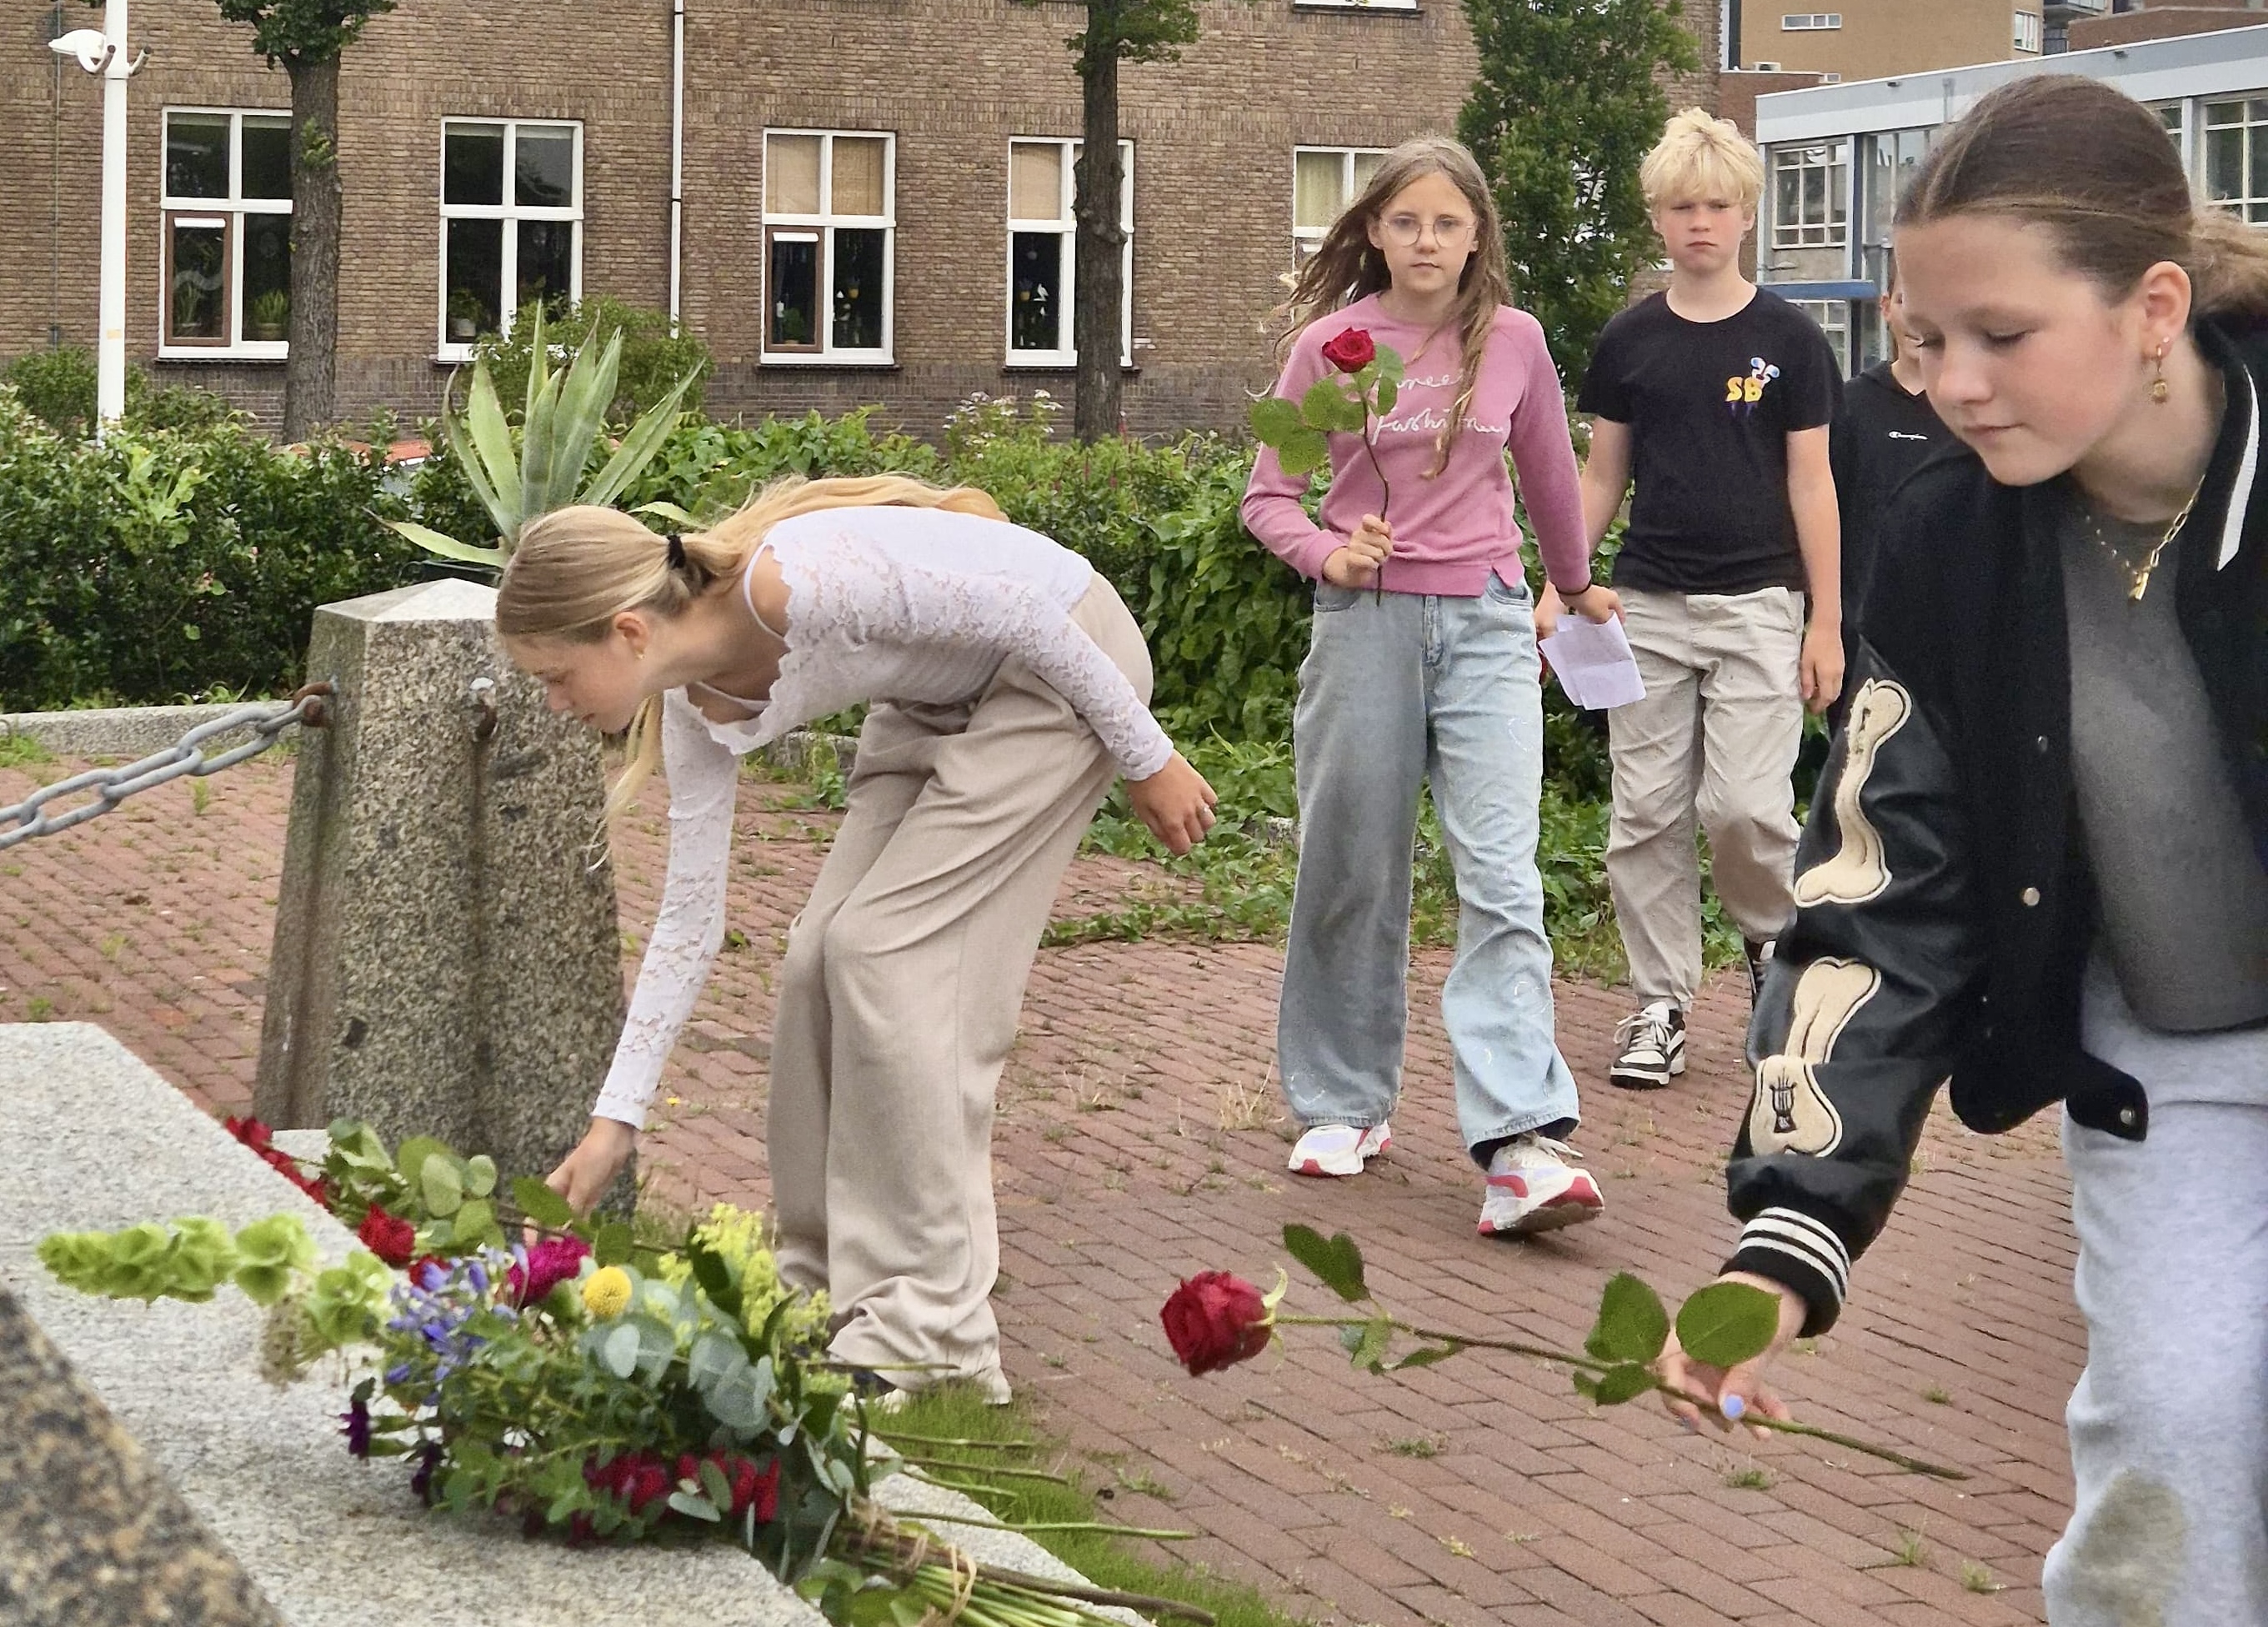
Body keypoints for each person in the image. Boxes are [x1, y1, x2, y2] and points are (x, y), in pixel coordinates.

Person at [1653, 75, 2268, 1627]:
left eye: (2001, 336)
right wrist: (1786, 1231)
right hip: (2170, 1068)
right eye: (1928, 341)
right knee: (2171, 1451)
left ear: (2153, 308)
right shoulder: (1946, 544)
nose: (1949, 384)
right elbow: (1879, 888)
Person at [495, 476, 1218, 1402]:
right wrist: (613, 1128)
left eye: (555, 676)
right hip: (936, 695)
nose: (553, 703)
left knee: (886, 952)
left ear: (627, 630)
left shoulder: (790, 584)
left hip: (1065, 657)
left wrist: (1147, 755)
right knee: (814, 959)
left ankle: (935, 1330)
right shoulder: (692, 704)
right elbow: (688, 924)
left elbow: (1030, 623)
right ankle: (826, 1284)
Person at [1242, 134, 1617, 1236]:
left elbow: (1550, 474)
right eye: (1405, 221)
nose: (1426, 241)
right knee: (1351, 864)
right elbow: (1270, 496)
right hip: (1365, 624)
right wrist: (1326, 553)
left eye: (1447, 223)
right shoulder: (1332, 346)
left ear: (1474, 237)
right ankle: (1341, 1102)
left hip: (1491, 623)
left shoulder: (1512, 341)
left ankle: (1521, 1144)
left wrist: (1576, 586)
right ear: (1370, 230)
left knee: (1502, 876)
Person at [1556, 108, 1844, 1091]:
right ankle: (1660, 1002)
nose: (1701, 223)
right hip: (1643, 605)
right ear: (1658, 218)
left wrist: (1827, 620)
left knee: (1745, 810)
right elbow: (1601, 477)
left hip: (1763, 604)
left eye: (1718, 205)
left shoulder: (1792, 340)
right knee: (1643, 815)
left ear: (1747, 214)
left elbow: (1815, 482)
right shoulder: (1630, 340)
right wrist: (1558, 581)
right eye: (1682, 207)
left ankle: (1772, 945)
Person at [1825, 258, 1958, 729]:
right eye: (1906, 300)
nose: (1920, 318)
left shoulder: (1977, 408)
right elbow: (1824, 515)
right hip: (1864, 635)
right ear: (1886, 308)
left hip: (1956, 635)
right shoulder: (1850, 406)